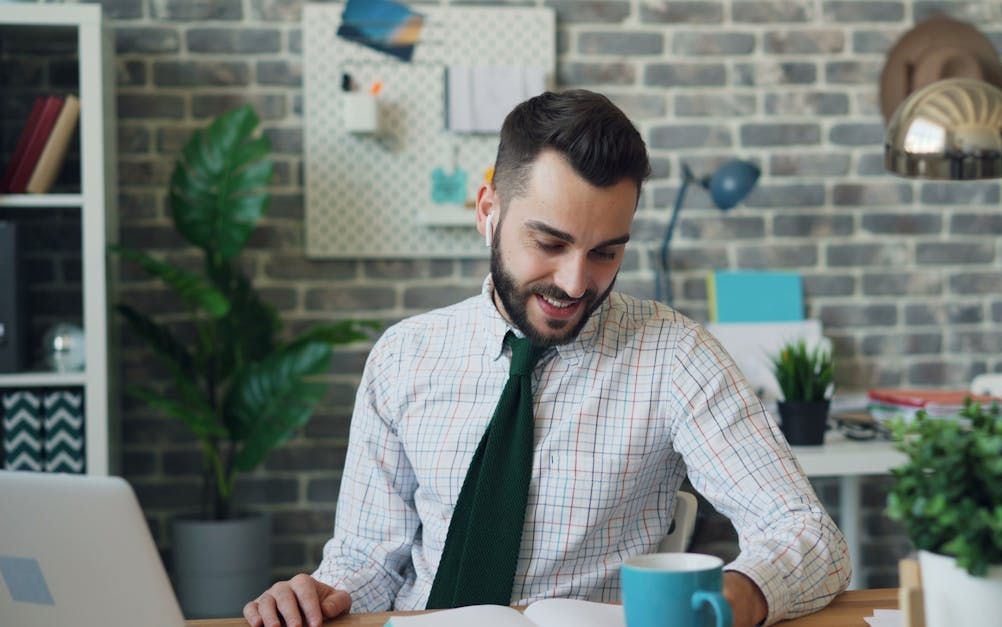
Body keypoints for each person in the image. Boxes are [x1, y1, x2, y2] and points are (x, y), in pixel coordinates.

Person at [244, 89, 850, 627]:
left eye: (606, 253)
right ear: (488, 213)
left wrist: (733, 596)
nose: (576, 282)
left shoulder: (676, 357)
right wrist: (318, 596)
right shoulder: (403, 357)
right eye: (550, 242)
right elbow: (366, 561)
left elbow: (809, 535)